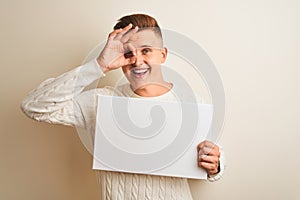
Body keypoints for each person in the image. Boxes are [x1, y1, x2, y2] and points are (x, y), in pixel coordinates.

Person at [21, 14, 225, 200]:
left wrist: (216, 164)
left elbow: (210, 156)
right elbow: (33, 106)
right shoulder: (100, 102)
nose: (137, 61)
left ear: (162, 55)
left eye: (146, 50)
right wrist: (99, 65)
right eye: (128, 53)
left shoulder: (193, 104)